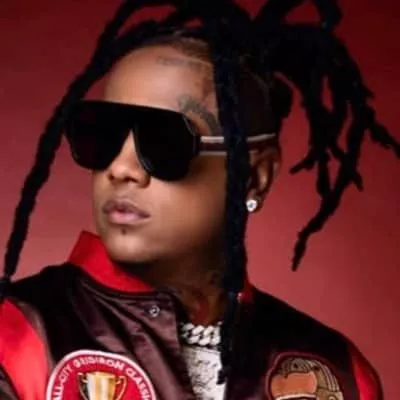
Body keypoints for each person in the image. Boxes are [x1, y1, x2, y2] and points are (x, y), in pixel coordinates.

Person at [0, 0, 397, 399]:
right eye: (102, 135)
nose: (120, 168)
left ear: (253, 177)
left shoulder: (339, 374)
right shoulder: (17, 338)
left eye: (163, 142)